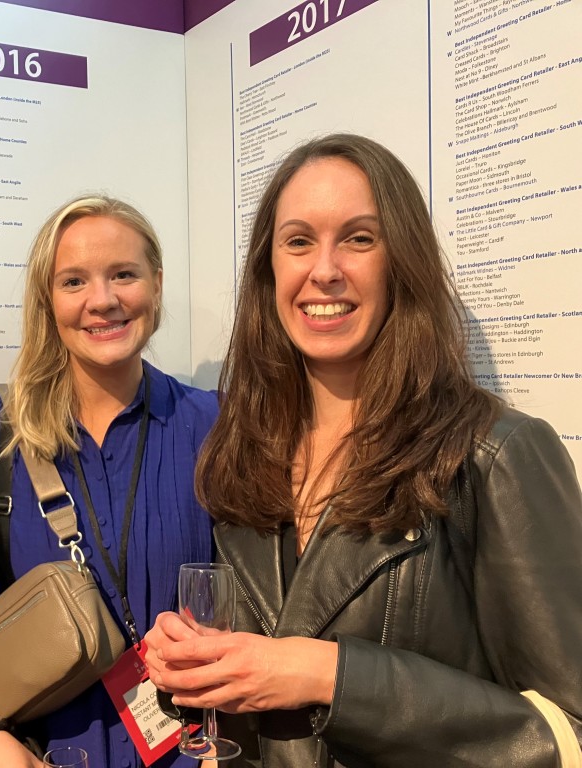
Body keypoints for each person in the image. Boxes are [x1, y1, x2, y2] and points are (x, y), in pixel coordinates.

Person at [144, 133, 582, 766]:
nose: (324, 269)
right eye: (298, 241)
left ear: (400, 260)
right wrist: (199, 666)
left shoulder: (492, 456)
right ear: (269, 270)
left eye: (358, 238)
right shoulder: (247, 450)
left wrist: (329, 675)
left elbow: (568, 731)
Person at [0, 194, 219, 767]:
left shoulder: (212, 425)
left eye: (123, 274)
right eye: (74, 281)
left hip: (191, 756)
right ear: (46, 301)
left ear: (155, 282)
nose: (103, 301)